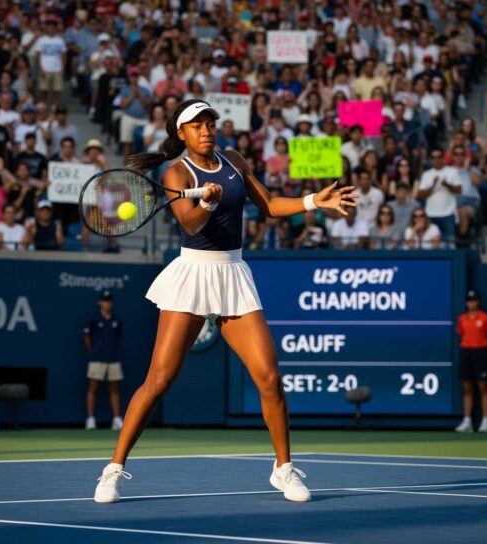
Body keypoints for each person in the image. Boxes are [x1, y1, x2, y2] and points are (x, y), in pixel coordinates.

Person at [93, 99, 357, 504]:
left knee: (269, 376)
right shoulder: (177, 171)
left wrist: (311, 202)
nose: (206, 130)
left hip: (233, 273)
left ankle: (283, 469)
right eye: (197, 125)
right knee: (159, 380)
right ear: (181, 133)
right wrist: (207, 203)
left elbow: (268, 205)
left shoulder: (233, 159)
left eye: (210, 123)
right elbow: (190, 222)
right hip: (193, 274)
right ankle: (113, 468)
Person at [454, 290, 487, 433]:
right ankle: (467, 421)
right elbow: (461, 335)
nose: (471, 303)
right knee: (467, 388)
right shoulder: (462, 319)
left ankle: (486, 421)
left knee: (483, 388)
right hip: (466, 353)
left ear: (478, 302)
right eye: (469, 300)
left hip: (481, 353)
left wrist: (482, 351)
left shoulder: (485, 318)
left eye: (474, 300)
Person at [84, 291, 124, 431]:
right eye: (104, 300)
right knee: (93, 388)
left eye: (109, 300)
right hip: (97, 359)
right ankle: (90, 419)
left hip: (113, 358)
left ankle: (116, 419)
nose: (107, 303)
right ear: (99, 302)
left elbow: (117, 337)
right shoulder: (94, 318)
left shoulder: (116, 319)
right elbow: (87, 337)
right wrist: (94, 352)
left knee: (115, 388)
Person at [417, 147, 461, 246]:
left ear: (443, 158)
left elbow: (459, 190)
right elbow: (420, 195)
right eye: (433, 157)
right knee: (430, 245)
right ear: (431, 159)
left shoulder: (452, 171)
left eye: (439, 157)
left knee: (450, 244)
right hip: (431, 214)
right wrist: (433, 185)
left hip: (448, 214)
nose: (436, 159)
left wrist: (446, 184)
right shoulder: (427, 174)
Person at [34, 19, 67, 109]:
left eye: (53, 27)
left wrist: (63, 68)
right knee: (43, 91)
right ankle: (42, 110)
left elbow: (63, 55)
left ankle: (54, 110)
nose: (51, 29)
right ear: (46, 28)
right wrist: (40, 68)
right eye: (49, 27)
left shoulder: (60, 40)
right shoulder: (41, 40)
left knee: (57, 91)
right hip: (45, 68)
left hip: (57, 68)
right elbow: (37, 55)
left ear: (55, 29)